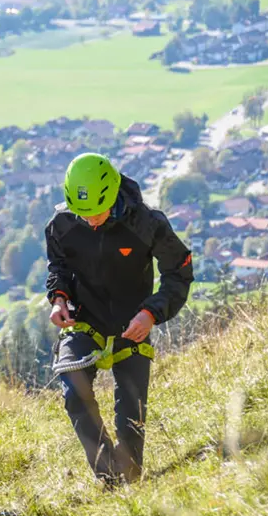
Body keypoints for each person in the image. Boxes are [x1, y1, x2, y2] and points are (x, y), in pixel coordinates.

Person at [46, 153, 193, 484]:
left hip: (134, 325)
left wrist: (151, 312)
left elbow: (179, 271)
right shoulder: (62, 225)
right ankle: (108, 478)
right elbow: (59, 267)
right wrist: (59, 298)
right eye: (82, 214)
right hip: (85, 321)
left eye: (95, 212)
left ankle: (129, 478)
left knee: (131, 417)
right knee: (74, 390)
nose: (90, 221)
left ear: (112, 195)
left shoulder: (147, 224)